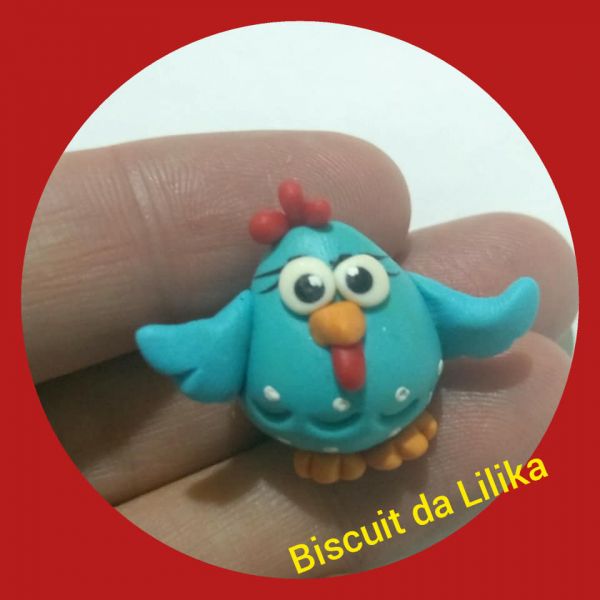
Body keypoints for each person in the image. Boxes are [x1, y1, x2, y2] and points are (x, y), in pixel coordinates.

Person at [22, 131, 577, 577]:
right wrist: (191, 347)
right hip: (310, 434)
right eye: (307, 290)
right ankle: (339, 449)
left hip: (403, 412)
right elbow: (220, 341)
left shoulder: (392, 286)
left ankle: (377, 438)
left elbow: (460, 315)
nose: (339, 320)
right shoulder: (257, 305)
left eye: (357, 282)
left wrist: (488, 319)